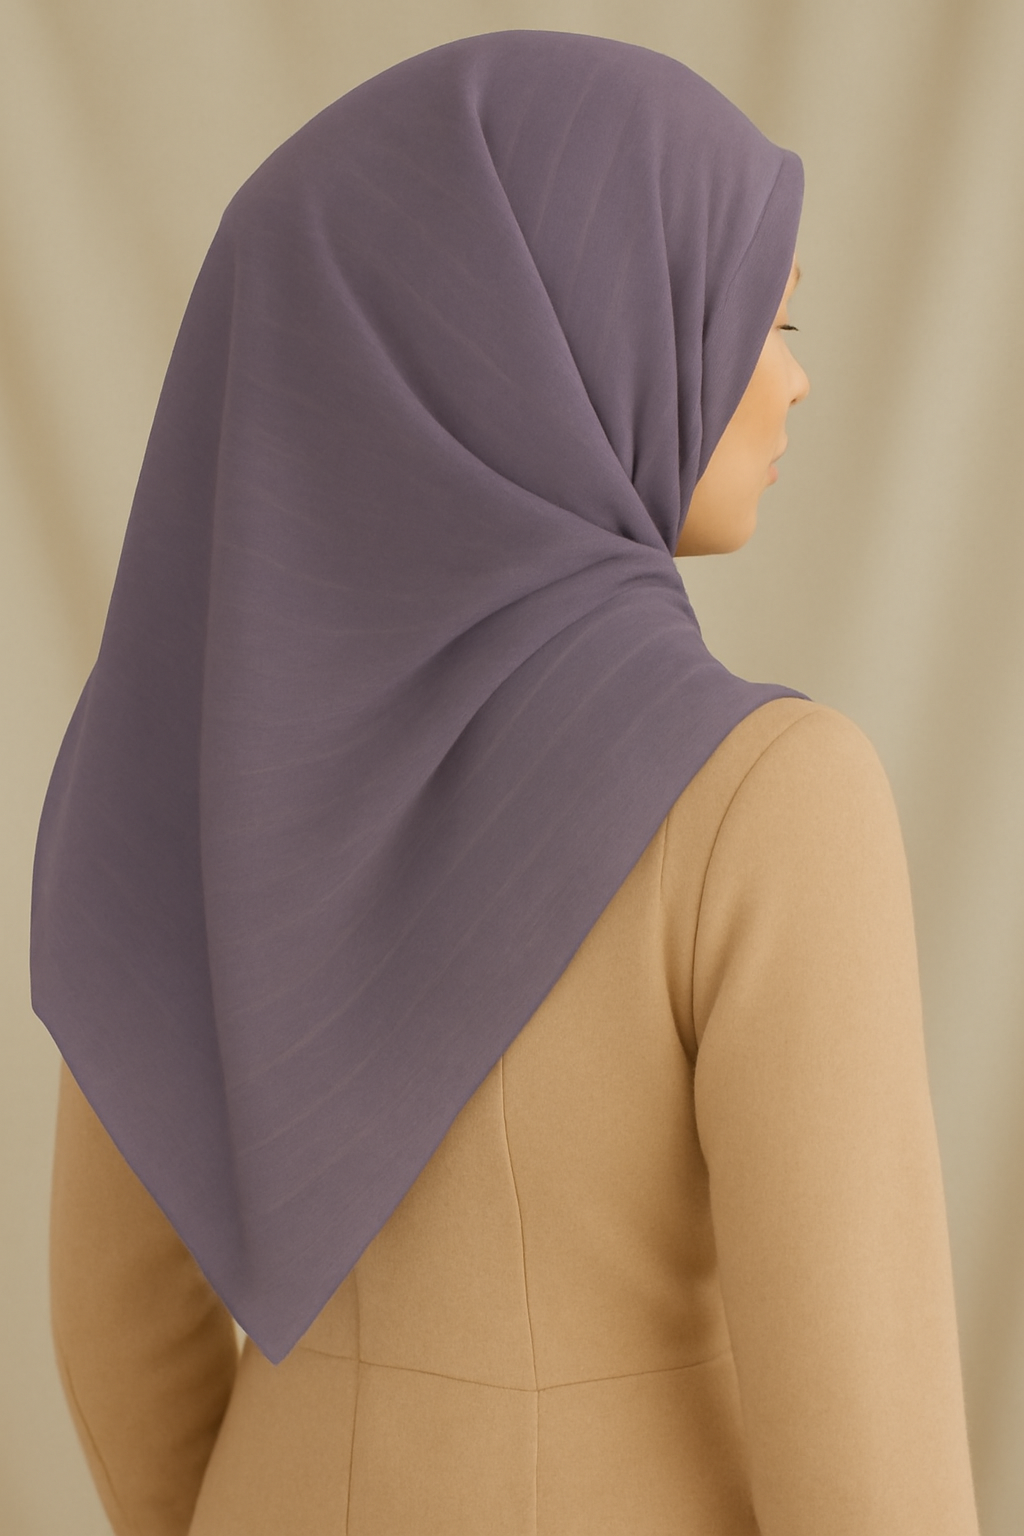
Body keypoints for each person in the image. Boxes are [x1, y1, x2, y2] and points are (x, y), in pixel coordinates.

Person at [34, 30, 980, 1536]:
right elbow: (871, 1484)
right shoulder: (769, 805)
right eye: (757, 318)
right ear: (569, 334)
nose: (795, 382)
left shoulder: (192, 743)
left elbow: (116, 1317)